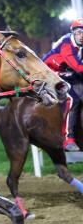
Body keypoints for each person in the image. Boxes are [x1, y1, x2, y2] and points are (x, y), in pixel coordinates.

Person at [42, 18, 83, 152]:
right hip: (49, 73)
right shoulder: (67, 45)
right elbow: (78, 67)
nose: (81, 36)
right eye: (78, 32)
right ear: (73, 33)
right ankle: (68, 139)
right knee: (73, 99)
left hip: (66, 72)